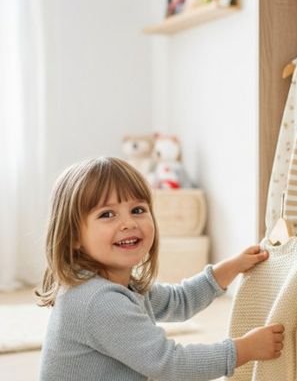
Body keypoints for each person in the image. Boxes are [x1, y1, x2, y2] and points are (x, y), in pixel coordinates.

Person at [36, 156, 284, 380]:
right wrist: (245, 349)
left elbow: (179, 301)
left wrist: (230, 268)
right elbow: (169, 364)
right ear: (74, 236)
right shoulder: (99, 302)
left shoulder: (119, 284)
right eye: (107, 214)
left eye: (137, 210)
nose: (128, 223)